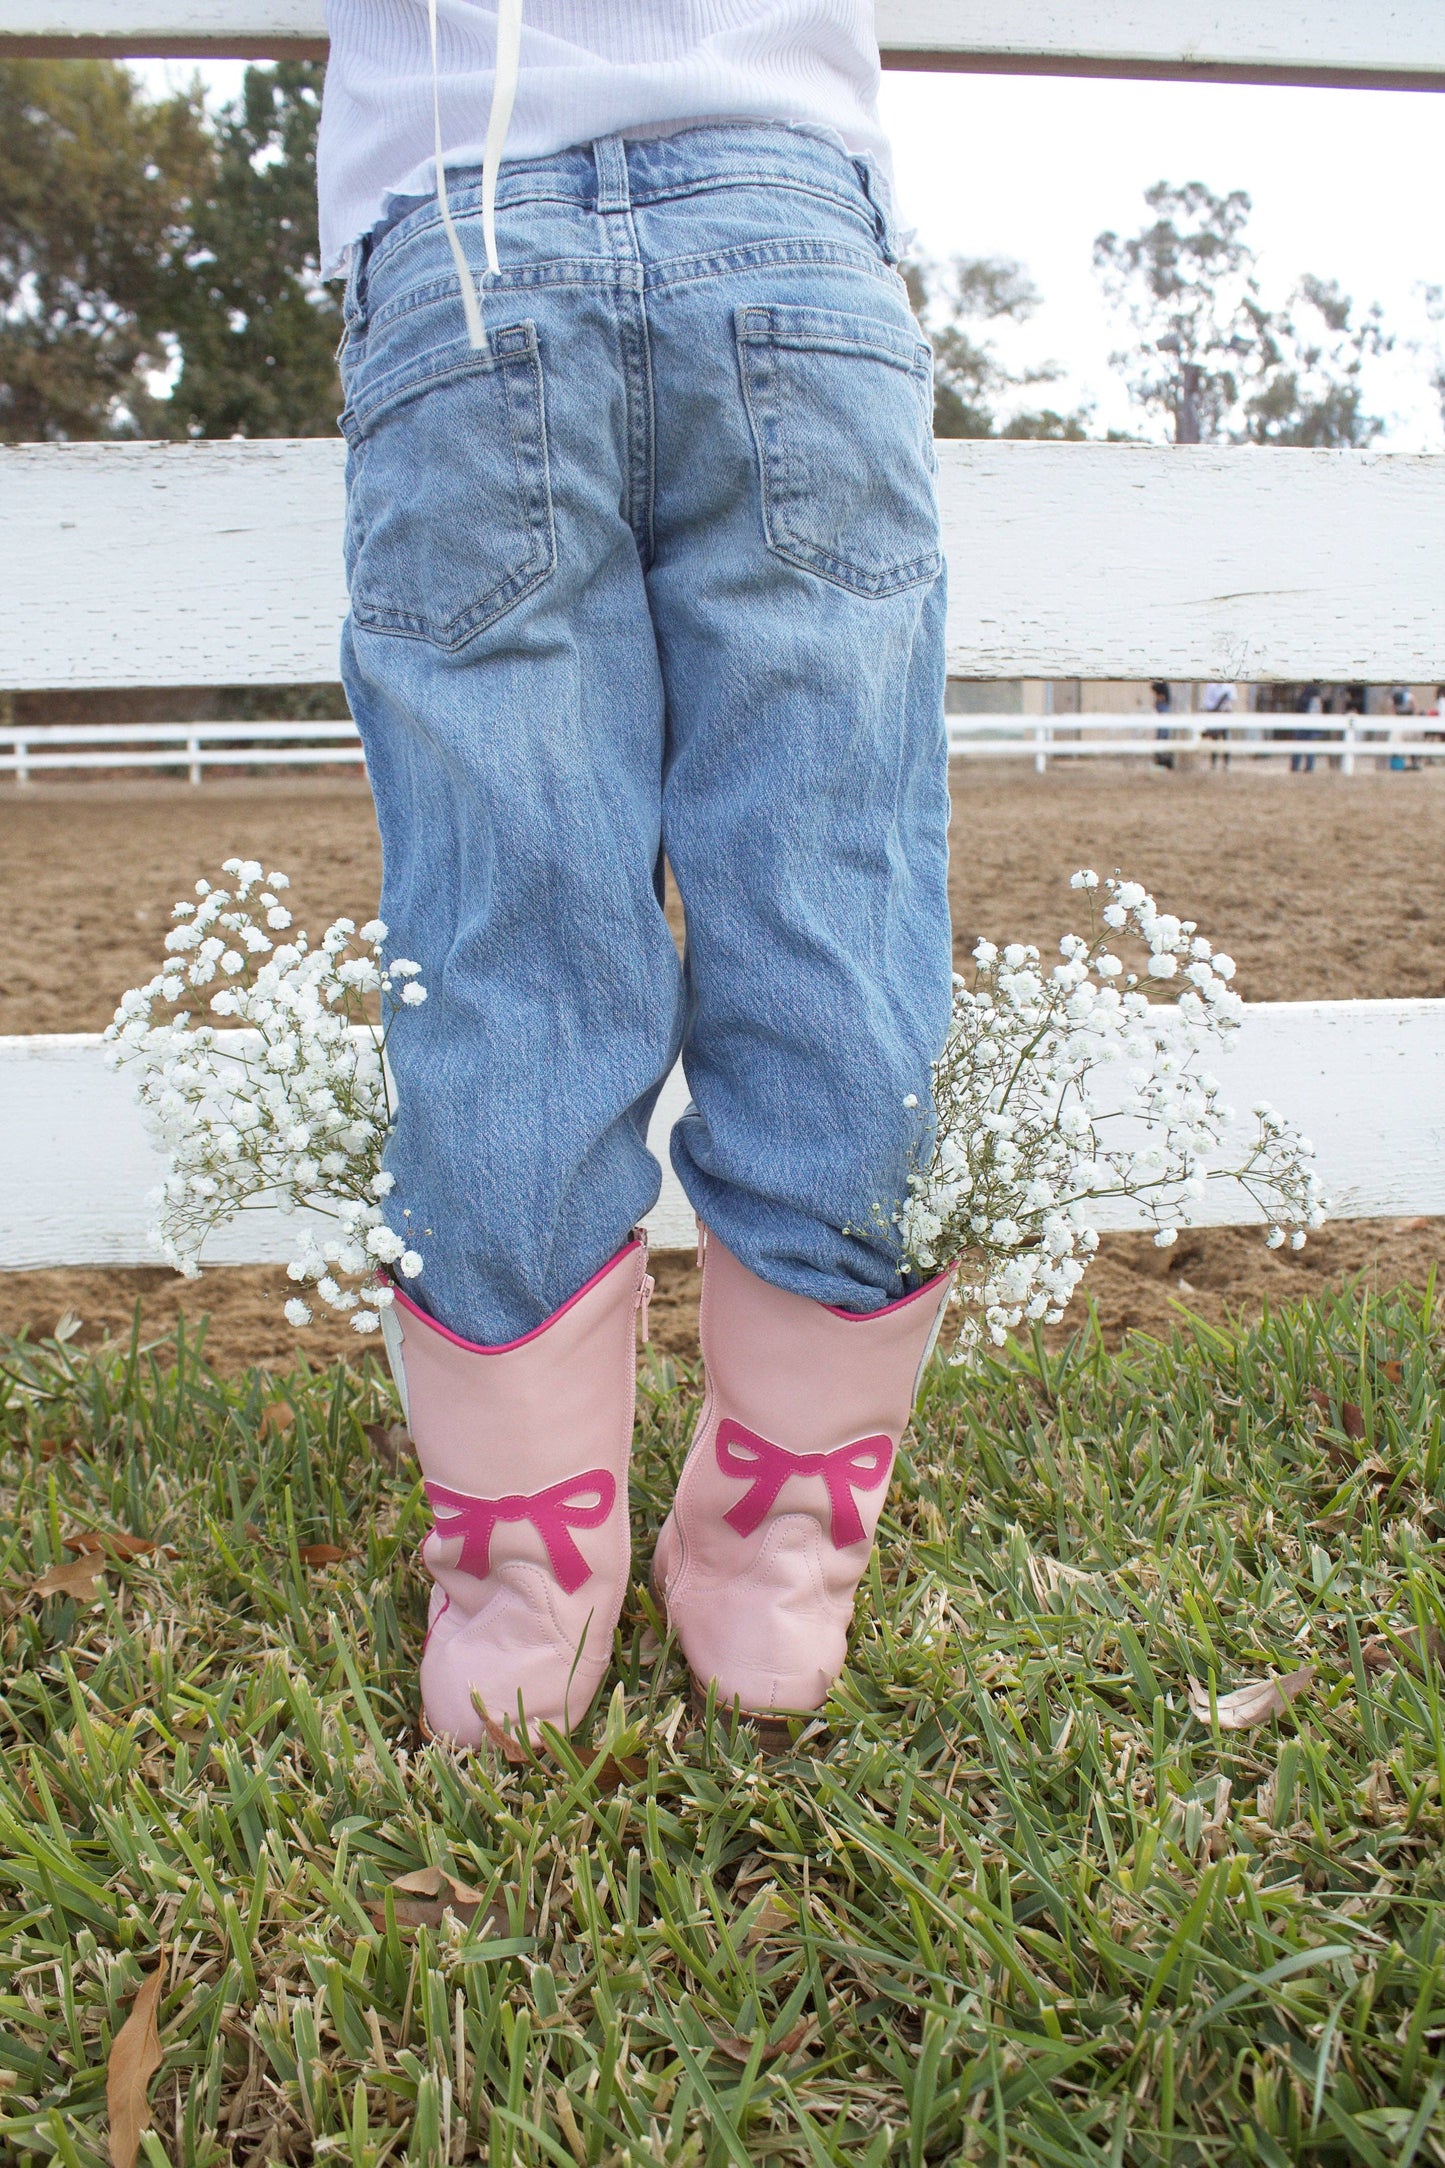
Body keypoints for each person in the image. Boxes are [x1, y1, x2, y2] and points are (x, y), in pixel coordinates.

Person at [319, 1, 954, 1749]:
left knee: (508, 928)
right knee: (828, 905)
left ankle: (524, 1574)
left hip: (461, 229)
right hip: (789, 233)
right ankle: (779, 1553)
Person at [1201, 679, 1235, 769]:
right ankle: (1213, 762)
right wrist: (1214, 709)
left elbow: (1232, 698)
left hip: (1225, 713)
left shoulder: (1229, 684)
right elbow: (1207, 701)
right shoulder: (1211, 685)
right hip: (1214, 713)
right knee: (1214, 737)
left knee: (1226, 737)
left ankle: (1226, 763)